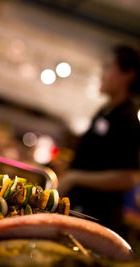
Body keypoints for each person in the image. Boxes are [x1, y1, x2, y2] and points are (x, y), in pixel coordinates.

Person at [58, 44, 140, 236]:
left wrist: (75, 177)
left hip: (97, 220)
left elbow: (128, 178)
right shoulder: (104, 112)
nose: (102, 73)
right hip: (78, 210)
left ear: (128, 75)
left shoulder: (128, 119)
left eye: (108, 67)